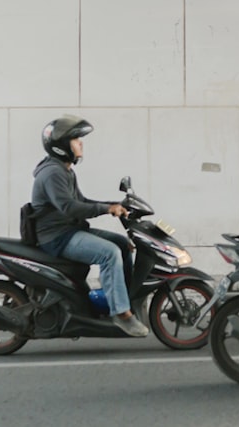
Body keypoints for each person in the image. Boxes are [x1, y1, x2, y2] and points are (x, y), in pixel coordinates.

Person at [31, 115, 149, 337]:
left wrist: (114, 205)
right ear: (62, 146)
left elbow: (82, 202)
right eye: (76, 139)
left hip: (69, 230)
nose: (80, 143)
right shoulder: (53, 172)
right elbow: (69, 207)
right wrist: (106, 209)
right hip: (57, 237)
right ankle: (121, 313)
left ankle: (116, 298)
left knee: (121, 244)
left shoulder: (64, 169)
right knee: (109, 253)